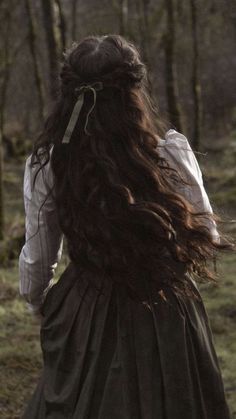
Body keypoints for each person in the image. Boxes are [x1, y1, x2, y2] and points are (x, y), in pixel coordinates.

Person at [19, 35, 231, 419]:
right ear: (134, 92)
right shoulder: (169, 152)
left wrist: (41, 303)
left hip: (86, 308)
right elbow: (209, 234)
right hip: (167, 305)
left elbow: (38, 258)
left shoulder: (48, 162)